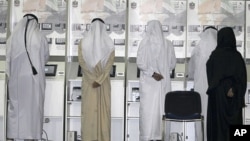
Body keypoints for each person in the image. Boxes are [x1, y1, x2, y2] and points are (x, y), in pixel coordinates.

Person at [6, 13, 50, 140]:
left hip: (17, 81)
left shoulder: (13, 37)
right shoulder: (40, 36)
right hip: (34, 80)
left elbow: (8, 58)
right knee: (33, 109)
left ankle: (12, 136)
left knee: (16, 109)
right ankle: (31, 137)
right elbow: (45, 57)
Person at [137, 20, 176, 141]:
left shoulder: (144, 43)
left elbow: (140, 63)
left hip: (148, 84)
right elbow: (172, 64)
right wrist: (162, 71)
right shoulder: (168, 44)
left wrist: (152, 73)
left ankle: (147, 137)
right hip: (163, 83)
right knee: (162, 111)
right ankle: (162, 136)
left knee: (148, 114)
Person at [206, 27, 247, 141]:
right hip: (234, 99)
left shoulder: (214, 56)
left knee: (218, 128)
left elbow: (211, 77)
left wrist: (223, 87)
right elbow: (242, 78)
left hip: (218, 99)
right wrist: (233, 88)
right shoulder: (237, 56)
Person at [78, 18, 115, 141]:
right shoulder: (109, 44)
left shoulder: (83, 43)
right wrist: (99, 80)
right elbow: (108, 66)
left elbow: (82, 63)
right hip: (102, 83)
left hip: (90, 84)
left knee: (91, 114)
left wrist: (93, 79)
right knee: (100, 114)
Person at [188, 26, 217, 141]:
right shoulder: (219, 49)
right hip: (214, 88)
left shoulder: (198, 48)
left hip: (200, 87)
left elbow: (191, 70)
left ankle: (200, 138)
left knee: (200, 113)